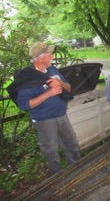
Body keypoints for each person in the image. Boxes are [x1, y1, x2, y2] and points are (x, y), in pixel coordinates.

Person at [7, 42, 80, 176]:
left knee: (73, 144)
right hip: (44, 120)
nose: (52, 57)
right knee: (51, 152)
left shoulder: (53, 70)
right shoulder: (28, 78)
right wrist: (49, 93)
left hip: (62, 115)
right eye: (49, 54)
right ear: (39, 57)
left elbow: (69, 89)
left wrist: (60, 83)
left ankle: (74, 172)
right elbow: (24, 105)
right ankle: (56, 177)